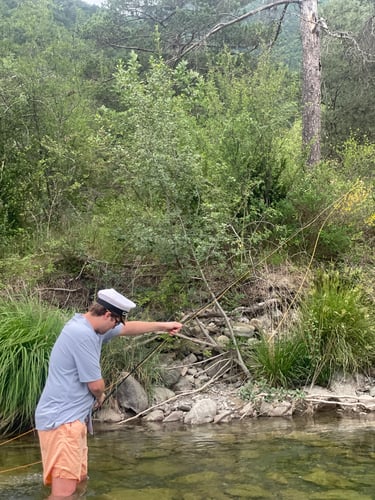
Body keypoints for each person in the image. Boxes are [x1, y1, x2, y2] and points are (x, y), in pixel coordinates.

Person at [35, 288, 182, 499]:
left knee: (79, 483)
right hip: (62, 423)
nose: (117, 327)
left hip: (70, 421)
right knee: (64, 494)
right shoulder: (82, 334)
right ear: (107, 315)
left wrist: (163, 326)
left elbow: (127, 328)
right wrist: (100, 397)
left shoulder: (89, 327)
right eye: (116, 322)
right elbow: (95, 385)